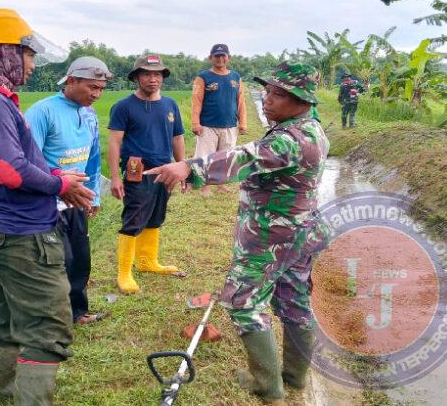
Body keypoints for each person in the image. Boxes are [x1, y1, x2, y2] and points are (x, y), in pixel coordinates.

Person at [146, 62, 330, 404]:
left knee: (244, 302)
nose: (268, 100)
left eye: (278, 94)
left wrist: (188, 167)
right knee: (295, 301)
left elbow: (245, 156)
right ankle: (294, 376)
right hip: (302, 233)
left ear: (301, 101)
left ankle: (267, 386)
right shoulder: (311, 128)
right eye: (268, 91)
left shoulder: (291, 139)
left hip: (272, 237)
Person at [0, 8, 94, 406]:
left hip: (5, 231)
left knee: (6, 324)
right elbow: (9, 170)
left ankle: (9, 398)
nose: (33, 65)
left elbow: (23, 158)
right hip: (21, 236)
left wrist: (56, 175)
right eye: (28, 54)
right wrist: (58, 184)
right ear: (5, 52)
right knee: (49, 327)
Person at [24, 56, 112, 326]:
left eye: (101, 89)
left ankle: (78, 312)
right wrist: (57, 185)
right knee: (54, 263)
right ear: (71, 80)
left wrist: (93, 194)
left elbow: (94, 157)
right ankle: (52, 320)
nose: (97, 94)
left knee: (79, 260)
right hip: (47, 204)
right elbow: (28, 160)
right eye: (92, 87)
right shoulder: (42, 112)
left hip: (77, 200)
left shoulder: (89, 114)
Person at [108, 54, 186, 294]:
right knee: (134, 218)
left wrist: (183, 167)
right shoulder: (124, 106)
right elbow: (114, 143)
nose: (153, 79)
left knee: (156, 216)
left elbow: (177, 138)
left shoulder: (170, 105)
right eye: (147, 74)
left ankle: (147, 262)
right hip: (137, 171)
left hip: (165, 170)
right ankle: (124, 272)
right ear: (136, 77)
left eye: (157, 74)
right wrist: (115, 177)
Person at [191, 43, 247, 196]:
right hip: (208, 125)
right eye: (217, 56)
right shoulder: (203, 77)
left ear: (229, 57)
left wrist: (243, 123)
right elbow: (196, 101)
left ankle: (221, 184)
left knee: (225, 157)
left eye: (223, 55)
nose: (220, 58)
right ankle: (205, 186)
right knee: (205, 157)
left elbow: (240, 102)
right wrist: (195, 123)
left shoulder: (236, 77)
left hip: (230, 125)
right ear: (210, 58)